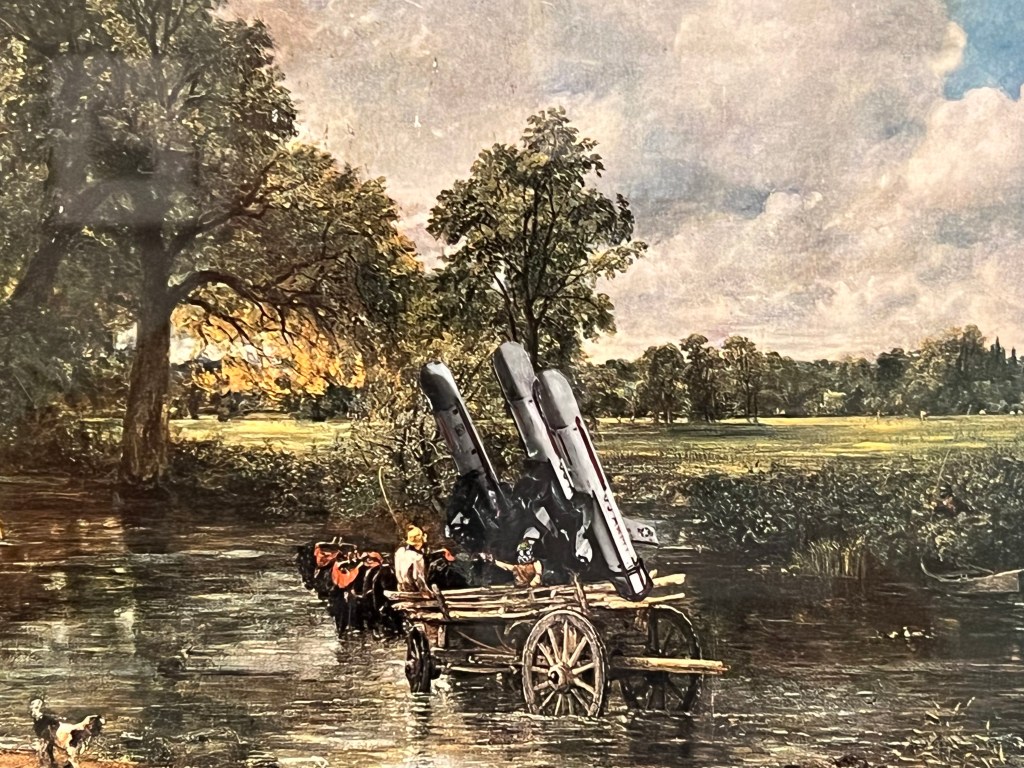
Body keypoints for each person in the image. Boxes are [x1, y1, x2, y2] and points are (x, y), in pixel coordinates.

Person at [395, 524, 430, 593]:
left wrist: (401, 582)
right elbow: (416, 576)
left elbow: (398, 572)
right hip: (415, 589)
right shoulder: (417, 557)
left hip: (401, 587)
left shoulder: (400, 551)